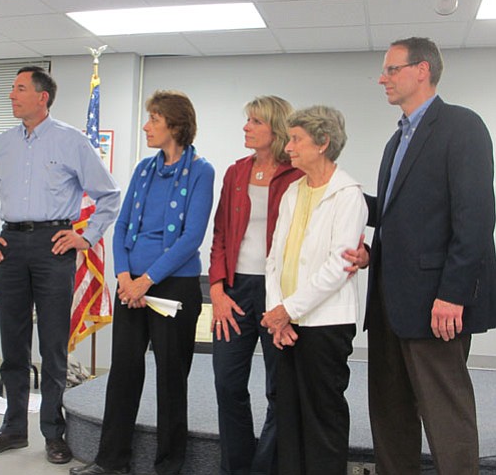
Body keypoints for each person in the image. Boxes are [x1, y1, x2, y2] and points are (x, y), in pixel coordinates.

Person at [344, 36, 496, 475]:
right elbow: (399, 216)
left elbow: (475, 219)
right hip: (389, 301)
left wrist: (453, 294)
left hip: (436, 304)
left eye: (392, 69)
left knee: (446, 416)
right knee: (390, 415)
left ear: (422, 70)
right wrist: (338, 193)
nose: (382, 78)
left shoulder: (461, 127)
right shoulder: (397, 141)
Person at [0, 66, 120, 465]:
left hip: (55, 245)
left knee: (53, 346)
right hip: (10, 245)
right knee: (12, 344)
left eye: (19, 89)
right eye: (12, 89)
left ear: (43, 97)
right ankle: (13, 428)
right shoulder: (2, 143)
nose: (11, 95)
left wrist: (85, 238)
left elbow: (108, 196)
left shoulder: (72, 142)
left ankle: (54, 432)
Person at [70, 90, 215, 475]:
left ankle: (169, 465)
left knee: (171, 379)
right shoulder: (143, 170)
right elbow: (122, 229)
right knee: (123, 374)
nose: (146, 126)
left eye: (154, 118)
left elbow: (191, 237)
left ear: (176, 125)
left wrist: (146, 281)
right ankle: (111, 460)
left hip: (173, 288)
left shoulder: (202, 171)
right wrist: (124, 278)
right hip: (129, 285)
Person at [261, 106, 367, 475]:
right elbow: (274, 258)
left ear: (322, 143)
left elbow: (339, 265)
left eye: (296, 139)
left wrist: (287, 309)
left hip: (326, 324)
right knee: (288, 415)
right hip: (286, 325)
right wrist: (278, 315)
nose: (288, 146)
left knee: (323, 417)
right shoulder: (292, 191)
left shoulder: (348, 193)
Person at [208, 96, 302, 475]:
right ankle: (237, 466)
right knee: (227, 384)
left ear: (275, 129)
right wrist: (216, 291)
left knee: (279, 390)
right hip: (235, 290)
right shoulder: (235, 172)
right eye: (247, 119)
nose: (246, 126)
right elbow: (220, 236)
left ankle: (265, 468)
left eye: (255, 121)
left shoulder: (296, 174)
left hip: (278, 293)